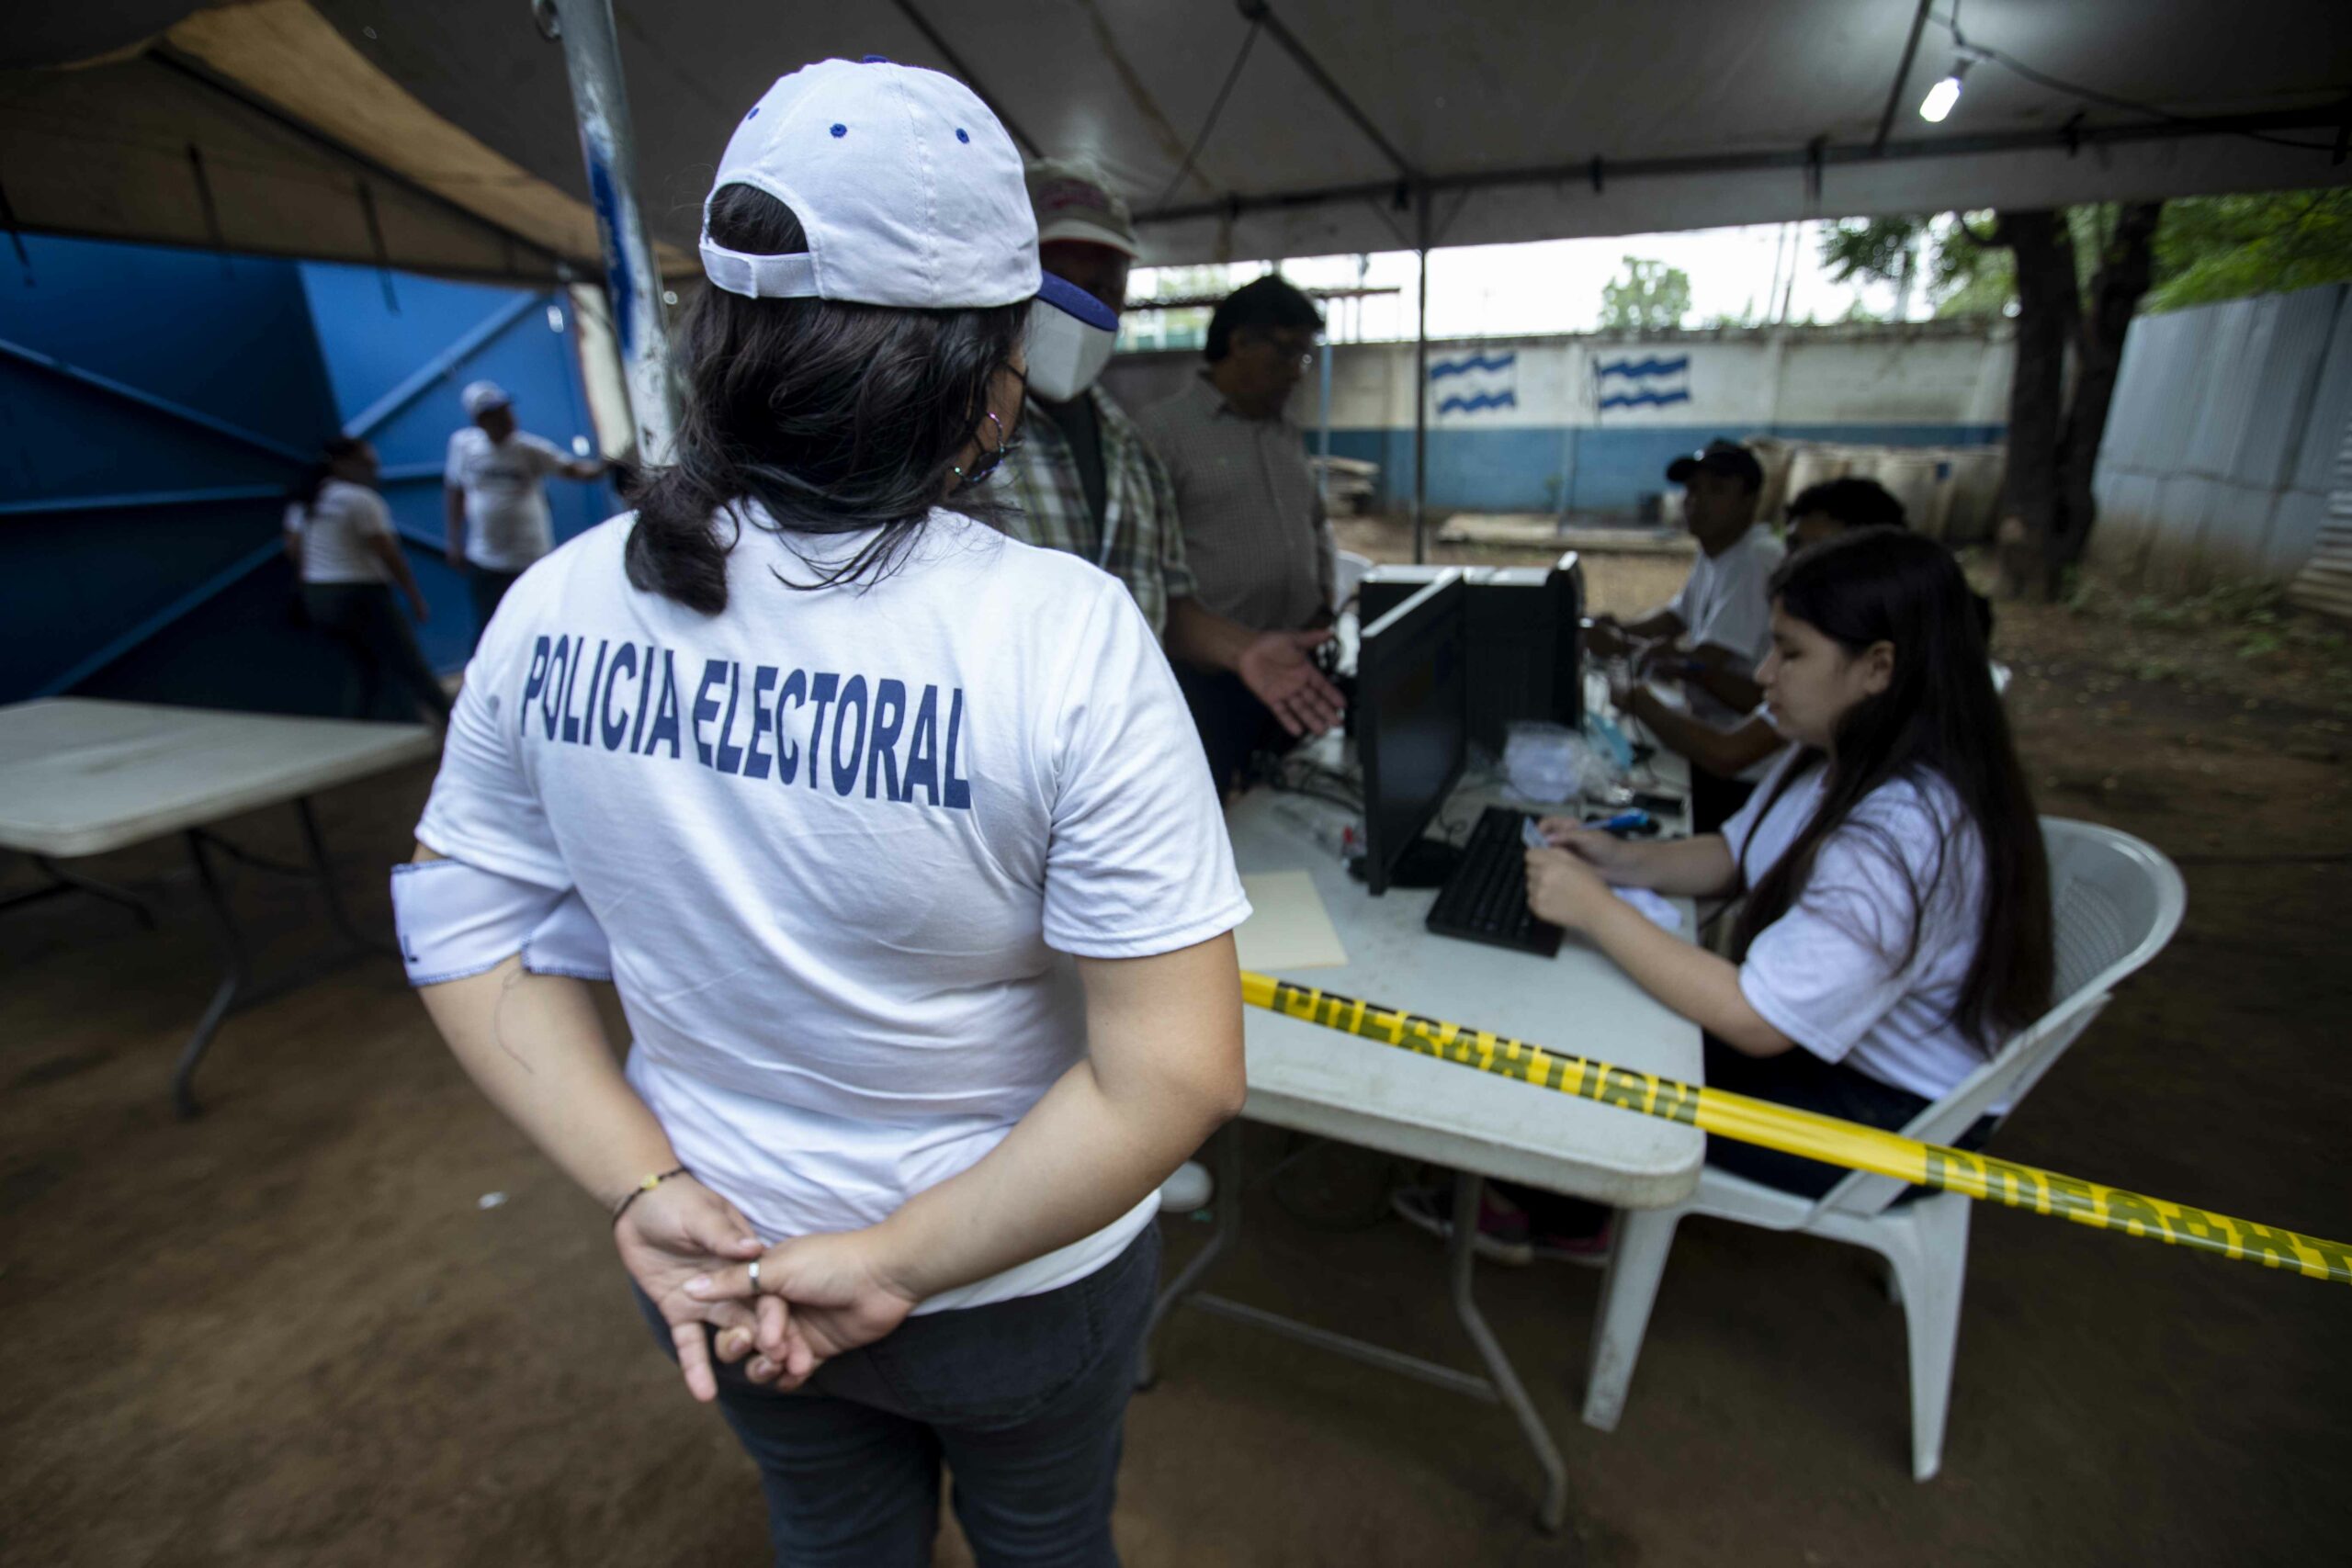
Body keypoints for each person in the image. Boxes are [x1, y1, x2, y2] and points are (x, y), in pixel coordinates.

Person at [400, 60, 1249, 1568]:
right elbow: (1172, 1075)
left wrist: (645, 1184)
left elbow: (459, 924)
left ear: (719, 334)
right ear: (990, 377)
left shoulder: (554, 606)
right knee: (1048, 1542)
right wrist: (893, 1262)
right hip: (1011, 1286)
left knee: (831, 1538)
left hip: (722, 1257)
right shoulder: (1063, 637)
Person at [1527, 527, 2052, 1198]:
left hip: (1890, 1118)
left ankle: (1560, 1215)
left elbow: (1758, 1020)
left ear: (1879, 667)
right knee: (1616, 1002)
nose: (1764, 673)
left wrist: (1595, 910)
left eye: (1790, 651)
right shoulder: (1837, 752)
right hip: (1839, 1056)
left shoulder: (1901, 834)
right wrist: (1619, 861)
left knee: (1591, 1045)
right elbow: (1733, 853)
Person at [996, 160, 1342, 744]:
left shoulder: (1129, 451)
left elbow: (1167, 606)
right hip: (1006, 758)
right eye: (1057, 280)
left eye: (1104, 288)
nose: (1080, 307)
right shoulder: (956, 441)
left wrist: (1244, 651)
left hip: (1123, 748)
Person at [1136, 275, 1337, 794]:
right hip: (1211, 676)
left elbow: (1316, 525)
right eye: (1287, 351)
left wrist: (1324, 600)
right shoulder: (1161, 434)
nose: (1297, 371)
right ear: (1240, 342)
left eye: (1305, 355)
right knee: (1211, 802)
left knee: (1286, 797)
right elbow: (1145, 563)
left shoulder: (1286, 432)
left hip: (1294, 666)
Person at [1617, 474, 1913, 785]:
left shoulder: (1842, 650)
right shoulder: (1817, 637)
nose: (1795, 564)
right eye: (1793, 545)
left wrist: (1640, 700)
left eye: (1792, 654)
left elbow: (1729, 753)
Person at [1586, 439, 1782, 829]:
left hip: (1742, 763)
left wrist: (1627, 647)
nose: (1696, 501)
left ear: (1750, 500)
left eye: (1716, 490)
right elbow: (1675, 617)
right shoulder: (1718, 550)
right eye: (1692, 490)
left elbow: (1704, 662)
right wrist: (1618, 630)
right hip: (1714, 734)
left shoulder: (1755, 559)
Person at [282, 436, 451, 724]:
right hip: (360, 593)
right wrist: (414, 596)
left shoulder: (305, 502)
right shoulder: (359, 499)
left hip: (319, 598)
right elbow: (388, 552)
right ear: (341, 464)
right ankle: (454, 722)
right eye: (367, 464)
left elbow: (293, 550)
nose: (373, 471)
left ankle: (361, 725)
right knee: (410, 663)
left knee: (364, 667)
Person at [443, 379, 607, 642]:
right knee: (491, 630)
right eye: (497, 415)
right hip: (487, 559)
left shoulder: (530, 449)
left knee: (542, 626)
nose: (508, 419)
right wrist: (453, 539)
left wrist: (606, 467)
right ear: (481, 421)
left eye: (507, 411)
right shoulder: (463, 446)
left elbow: (573, 470)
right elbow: (455, 489)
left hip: (531, 558)